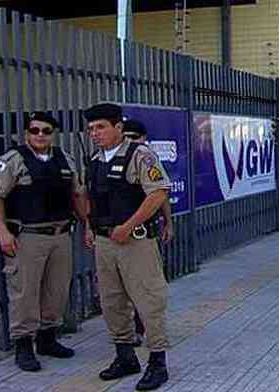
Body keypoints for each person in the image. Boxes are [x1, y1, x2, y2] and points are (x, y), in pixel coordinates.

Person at [0, 112, 89, 372]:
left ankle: (47, 338)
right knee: (25, 291)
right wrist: (3, 232)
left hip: (60, 234)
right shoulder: (12, 160)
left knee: (56, 289)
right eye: (34, 130)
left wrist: (87, 225)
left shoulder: (65, 159)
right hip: (28, 236)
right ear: (26, 133)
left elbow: (77, 195)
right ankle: (23, 345)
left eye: (45, 131)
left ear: (53, 133)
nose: (40, 135)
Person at [83, 103, 170, 391]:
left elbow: (158, 193)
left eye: (101, 127)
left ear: (118, 127)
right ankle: (125, 356)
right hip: (105, 242)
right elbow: (90, 199)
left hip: (136, 242)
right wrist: (89, 227)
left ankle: (157, 362)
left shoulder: (139, 155)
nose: (95, 133)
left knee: (148, 300)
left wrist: (128, 226)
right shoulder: (95, 160)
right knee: (112, 302)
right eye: (92, 128)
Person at [122, 119, 174, 347]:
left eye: (135, 137)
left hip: (143, 234)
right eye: (127, 137)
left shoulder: (147, 160)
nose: (130, 141)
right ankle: (128, 331)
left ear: (143, 138)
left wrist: (168, 223)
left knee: (146, 286)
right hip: (116, 235)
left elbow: (161, 196)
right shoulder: (112, 160)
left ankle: (145, 327)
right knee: (121, 287)